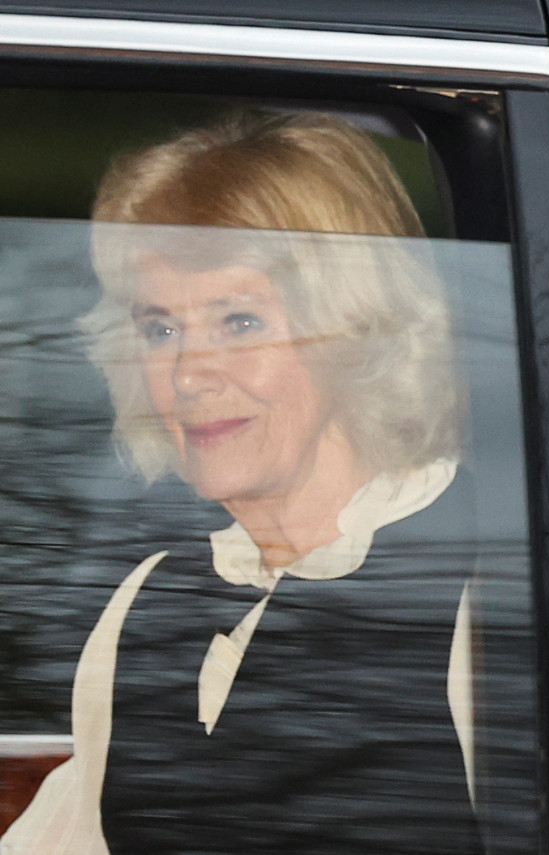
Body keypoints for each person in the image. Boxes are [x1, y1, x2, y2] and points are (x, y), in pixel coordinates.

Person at [2, 112, 481, 854]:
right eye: (160, 329)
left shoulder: (484, 600)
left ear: (353, 330)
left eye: (239, 322)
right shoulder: (146, 601)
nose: (188, 373)